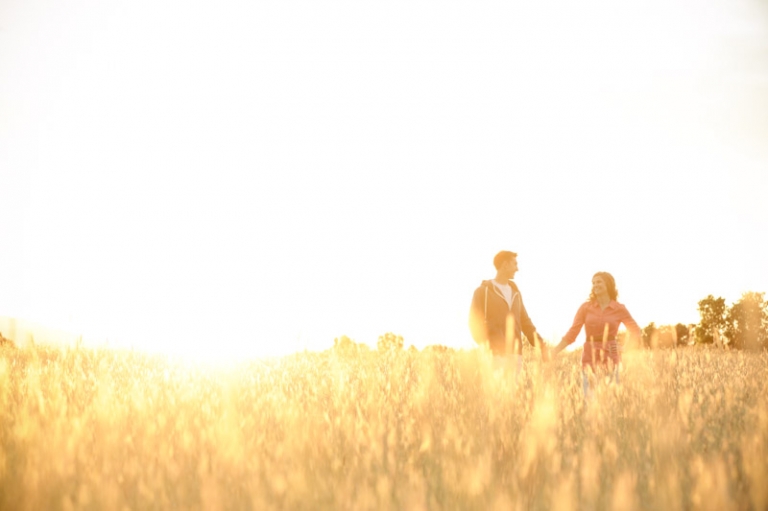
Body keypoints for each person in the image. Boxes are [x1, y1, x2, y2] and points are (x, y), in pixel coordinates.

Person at [551, 271, 641, 397]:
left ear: (608, 284)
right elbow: (572, 333)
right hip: (590, 355)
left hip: (611, 356)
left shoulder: (619, 308)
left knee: (610, 398)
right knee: (590, 398)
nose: (595, 285)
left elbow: (635, 331)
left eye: (599, 282)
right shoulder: (585, 307)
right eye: (593, 283)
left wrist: (625, 348)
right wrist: (554, 351)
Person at [468, 250, 550, 376]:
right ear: (505, 265)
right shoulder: (482, 292)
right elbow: (474, 323)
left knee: (512, 390)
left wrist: (542, 346)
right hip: (493, 355)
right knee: (495, 389)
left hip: (515, 356)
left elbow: (525, 322)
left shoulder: (515, 293)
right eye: (514, 264)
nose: (517, 269)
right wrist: (488, 345)